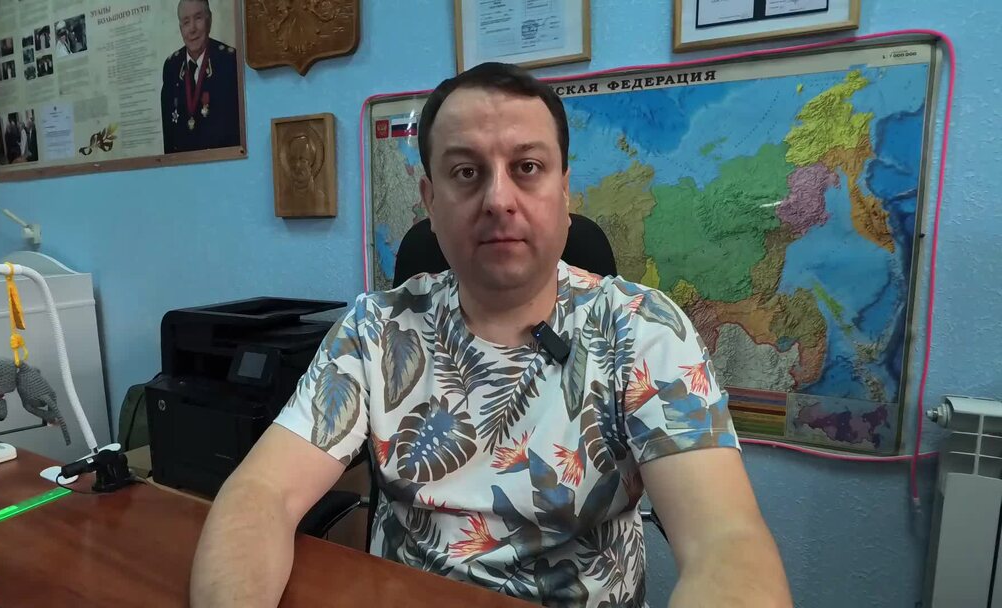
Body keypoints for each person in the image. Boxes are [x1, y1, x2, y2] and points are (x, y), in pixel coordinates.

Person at [190, 62, 792, 607]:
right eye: (466, 172)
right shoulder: (376, 329)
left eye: (527, 168)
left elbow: (726, 542)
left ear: (565, 191)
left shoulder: (643, 330)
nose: (498, 199)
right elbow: (262, 493)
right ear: (430, 200)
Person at [160, 0, 240, 154]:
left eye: (198, 18)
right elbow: (169, 136)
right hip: (184, 165)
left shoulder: (229, 61)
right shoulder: (172, 67)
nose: (192, 29)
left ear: (209, 20)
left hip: (222, 163)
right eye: (186, 22)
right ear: (180, 28)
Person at [280, 133, 327, 212]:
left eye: (303, 160)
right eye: (293, 160)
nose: (297, 165)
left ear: (311, 163)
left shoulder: (319, 197)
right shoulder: (284, 197)